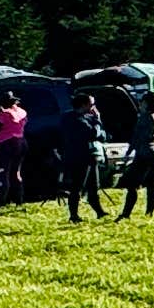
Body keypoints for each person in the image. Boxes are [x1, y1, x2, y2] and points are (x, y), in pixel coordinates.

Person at [55, 88, 107, 220]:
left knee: (93, 185)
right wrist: (98, 120)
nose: (93, 107)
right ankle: (74, 215)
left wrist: (97, 128)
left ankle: (99, 211)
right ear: (83, 105)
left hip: (89, 156)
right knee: (77, 186)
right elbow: (93, 133)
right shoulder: (74, 119)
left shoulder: (83, 117)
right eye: (91, 104)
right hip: (79, 156)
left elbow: (103, 136)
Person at [114, 97, 154, 219]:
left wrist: (129, 152)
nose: (139, 105)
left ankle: (126, 213)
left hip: (145, 153)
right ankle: (149, 212)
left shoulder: (145, 117)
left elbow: (138, 136)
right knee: (152, 184)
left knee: (132, 184)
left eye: (141, 103)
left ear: (146, 104)